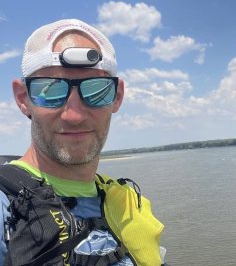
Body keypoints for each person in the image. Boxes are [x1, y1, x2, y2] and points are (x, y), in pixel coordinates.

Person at [0, 19, 165, 266]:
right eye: (51, 90)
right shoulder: (6, 208)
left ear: (117, 96)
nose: (74, 116)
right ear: (23, 99)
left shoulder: (126, 203)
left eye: (96, 90)